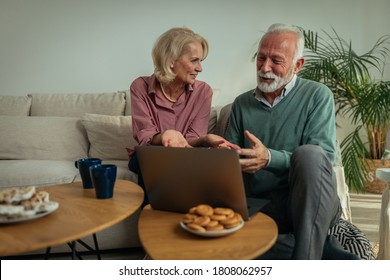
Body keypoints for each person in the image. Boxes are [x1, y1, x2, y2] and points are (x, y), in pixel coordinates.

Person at [226, 23, 358, 259]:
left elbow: (324, 159)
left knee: (309, 154)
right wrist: (222, 155)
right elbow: (229, 164)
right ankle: (324, 252)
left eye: (276, 61)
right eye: (261, 58)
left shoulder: (317, 95)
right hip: (264, 206)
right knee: (228, 243)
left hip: (313, 201)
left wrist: (270, 158)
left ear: (298, 65)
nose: (265, 67)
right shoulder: (241, 104)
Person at [127, 27, 236, 206]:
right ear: (171, 61)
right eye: (194, 61)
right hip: (149, 155)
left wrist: (205, 139)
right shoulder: (140, 87)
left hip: (185, 155)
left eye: (200, 61)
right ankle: (152, 226)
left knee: (186, 163)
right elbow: (145, 137)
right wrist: (164, 136)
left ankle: (189, 223)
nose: (200, 68)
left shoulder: (203, 92)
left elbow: (192, 138)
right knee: (156, 159)